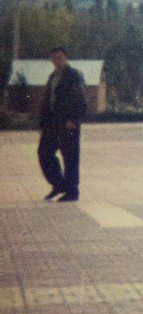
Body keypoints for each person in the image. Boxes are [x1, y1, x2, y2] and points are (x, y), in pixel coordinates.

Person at [38, 47, 87, 202]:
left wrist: (74, 119)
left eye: (59, 57)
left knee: (70, 157)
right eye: (54, 58)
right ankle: (59, 184)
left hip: (68, 123)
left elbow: (81, 100)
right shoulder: (53, 76)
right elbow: (49, 100)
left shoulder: (73, 75)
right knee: (44, 152)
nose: (56, 61)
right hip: (52, 122)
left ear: (66, 57)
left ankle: (72, 191)